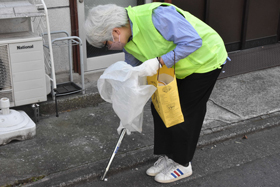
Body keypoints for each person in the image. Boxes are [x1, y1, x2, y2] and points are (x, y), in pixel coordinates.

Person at [85, 2, 229, 184]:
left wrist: (159, 62)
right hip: (175, 67)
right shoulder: (127, 41)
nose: (108, 48)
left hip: (205, 59)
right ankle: (169, 156)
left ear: (115, 32)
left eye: (105, 45)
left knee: (183, 112)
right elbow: (134, 72)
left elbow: (193, 41)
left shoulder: (158, 16)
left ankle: (183, 163)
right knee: (161, 107)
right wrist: (127, 112)